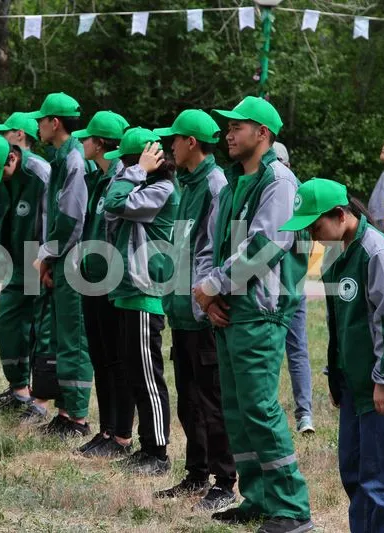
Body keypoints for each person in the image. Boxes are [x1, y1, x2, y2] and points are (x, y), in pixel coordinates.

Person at [194, 97, 313, 533]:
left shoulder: (278, 181)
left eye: (237, 127)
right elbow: (210, 246)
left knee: (260, 409)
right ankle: (258, 498)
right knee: (238, 410)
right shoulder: (229, 184)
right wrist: (207, 295)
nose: (228, 133)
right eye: (228, 127)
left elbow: (265, 246)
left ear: (262, 133)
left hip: (260, 313)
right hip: (228, 310)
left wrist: (212, 287)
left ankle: (293, 508)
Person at [281, 178, 384, 533]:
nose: (311, 234)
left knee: (381, 483)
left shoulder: (375, 252)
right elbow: (343, 325)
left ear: (340, 215)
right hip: (356, 388)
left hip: (381, 390)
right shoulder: (339, 252)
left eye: (315, 225)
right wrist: (338, 377)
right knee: (354, 475)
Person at [153, 110, 237, 508]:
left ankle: (224, 481)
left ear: (190, 142)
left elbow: (216, 250)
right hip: (181, 311)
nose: (169, 145)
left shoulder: (215, 184)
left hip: (203, 313)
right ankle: (196, 472)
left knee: (211, 399)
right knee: (188, 398)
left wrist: (205, 300)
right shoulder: (185, 184)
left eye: (174, 138)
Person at [103, 127, 179, 475]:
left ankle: (158, 452)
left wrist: (138, 171)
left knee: (148, 377)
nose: (122, 168)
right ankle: (146, 445)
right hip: (127, 290)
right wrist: (135, 173)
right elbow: (110, 204)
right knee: (134, 373)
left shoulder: (161, 189)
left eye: (127, 162)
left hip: (146, 292)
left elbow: (115, 202)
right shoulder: (142, 184)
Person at [27, 93, 93, 437]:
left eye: (41, 119)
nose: (37, 125)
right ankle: (66, 411)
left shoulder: (74, 161)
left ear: (55, 123)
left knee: (75, 339)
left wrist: (46, 254)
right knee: (62, 337)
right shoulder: (59, 157)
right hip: (61, 259)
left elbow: (71, 218)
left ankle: (77, 417)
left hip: (75, 260)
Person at [71, 111, 131, 457]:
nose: (83, 143)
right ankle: (107, 430)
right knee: (100, 357)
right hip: (91, 278)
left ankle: (122, 434)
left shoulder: (123, 181)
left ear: (101, 144)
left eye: (87, 138)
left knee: (117, 359)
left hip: (113, 281)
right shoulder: (99, 180)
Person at [0, 134, 52, 414]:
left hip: (39, 261)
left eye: (3, 172)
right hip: (14, 261)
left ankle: (41, 400)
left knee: (40, 331)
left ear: (13, 157)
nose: (0, 179)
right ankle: (19, 389)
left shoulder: (39, 172)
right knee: (6, 323)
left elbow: (51, 217)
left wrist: (48, 258)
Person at [274, 141, 315, 433]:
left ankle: (286, 412)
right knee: (296, 348)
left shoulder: (267, 189)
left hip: (275, 285)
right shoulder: (301, 194)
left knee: (274, 349)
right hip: (293, 283)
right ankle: (305, 414)